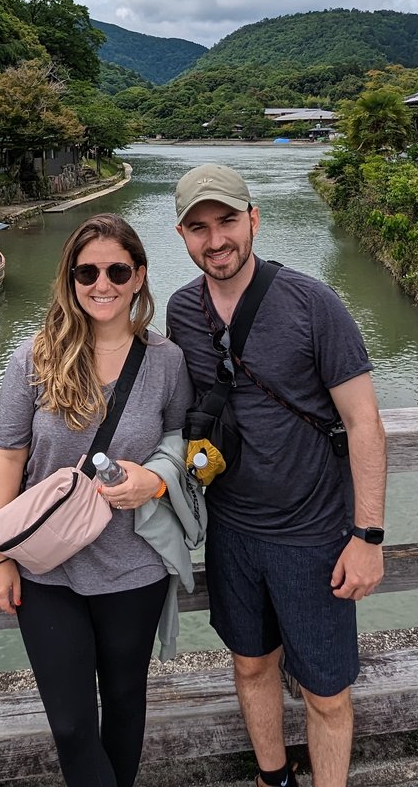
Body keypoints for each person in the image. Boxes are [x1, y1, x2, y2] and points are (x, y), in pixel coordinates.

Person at [167, 164, 388, 787]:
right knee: (250, 666)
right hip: (231, 529)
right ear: (182, 236)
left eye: (227, 221)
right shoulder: (182, 312)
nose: (216, 241)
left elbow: (364, 421)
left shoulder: (313, 303)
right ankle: (273, 777)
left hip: (313, 534)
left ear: (254, 219)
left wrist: (367, 537)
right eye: (199, 228)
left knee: (325, 692)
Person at [0, 213, 196, 787]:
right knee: (74, 726)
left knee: (126, 707)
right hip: (47, 571)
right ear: (70, 279)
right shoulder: (34, 359)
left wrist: (151, 481)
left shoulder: (167, 361)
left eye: (116, 270)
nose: (101, 284)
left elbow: (181, 447)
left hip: (134, 566)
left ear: (139, 277)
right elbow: (8, 457)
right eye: (86, 272)